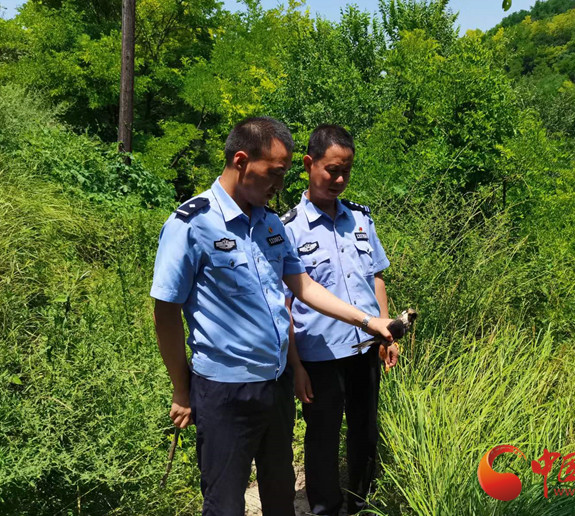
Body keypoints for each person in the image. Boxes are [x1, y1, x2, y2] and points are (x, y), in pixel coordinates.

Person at [150, 117, 394, 516]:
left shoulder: (269, 224)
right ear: (241, 161)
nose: (280, 185)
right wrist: (181, 388)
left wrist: (370, 322)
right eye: (275, 173)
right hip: (225, 390)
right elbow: (165, 313)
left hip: (276, 385)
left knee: (280, 494)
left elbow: (304, 287)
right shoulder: (192, 225)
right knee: (225, 502)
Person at [282, 124, 399, 516]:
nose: (339, 180)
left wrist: (386, 331)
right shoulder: (288, 228)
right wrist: (296, 365)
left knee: (365, 430)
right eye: (332, 170)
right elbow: (285, 303)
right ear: (308, 164)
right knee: (323, 436)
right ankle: (325, 508)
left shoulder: (361, 219)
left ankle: (361, 503)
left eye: (346, 171)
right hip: (319, 355)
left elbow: (375, 277)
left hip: (366, 348)